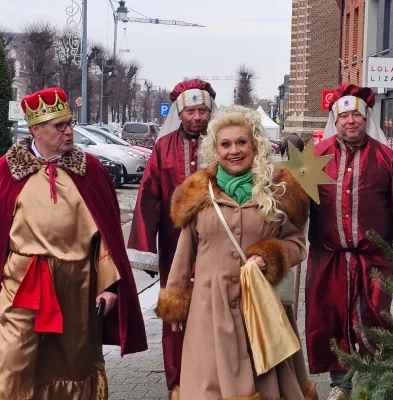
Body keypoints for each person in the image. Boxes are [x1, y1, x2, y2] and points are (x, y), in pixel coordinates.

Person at [155, 106, 317, 400]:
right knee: (209, 385)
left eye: (241, 142)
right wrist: (176, 301)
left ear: (255, 145)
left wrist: (268, 256)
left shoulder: (278, 189)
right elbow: (184, 251)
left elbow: (297, 242)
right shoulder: (199, 193)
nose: (234, 151)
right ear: (215, 151)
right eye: (225, 144)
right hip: (209, 308)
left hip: (262, 306)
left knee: (266, 383)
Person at [0, 87, 147, 399]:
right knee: (12, 360)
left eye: (70, 123)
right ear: (36, 130)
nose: (70, 131)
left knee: (72, 365)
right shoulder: (6, 171)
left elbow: (106, 238)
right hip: (21, 282)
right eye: (61, 126)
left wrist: (108, 287)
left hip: (77, 284)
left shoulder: (90, 170)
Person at [305, 83, 393, 400]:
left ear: (366, 118)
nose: (351, 121)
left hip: (375, 259)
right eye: (345, 116)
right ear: (335, 119)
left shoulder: (386, 158)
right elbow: (296, 204)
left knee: (374, 318)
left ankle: (376, 380)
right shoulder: (315, 157)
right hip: (327, 258)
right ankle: (342, 385)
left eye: (357, 114)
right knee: (332, 320)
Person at [127, 78, 218, 394]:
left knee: (215, 314)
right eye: (190, 110)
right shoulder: (163, 148)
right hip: (173, 249)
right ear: (180, 113)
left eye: (202, 110)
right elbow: (148, 196)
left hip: (215, 250)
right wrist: (144, 247)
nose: (196, 117)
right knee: (176, 316)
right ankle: (178, 384)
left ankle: (213, 382)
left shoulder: (222, 144)